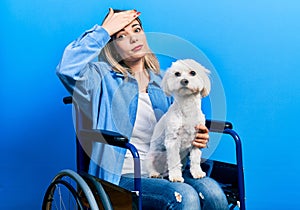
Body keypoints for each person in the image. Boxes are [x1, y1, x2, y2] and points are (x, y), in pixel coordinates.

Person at [57, 8, 229, 210]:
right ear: (111, 46)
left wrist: (195, 137)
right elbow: (66, 69)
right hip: (122, 176)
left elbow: (173, 132)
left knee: (213, 193)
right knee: (185, 196)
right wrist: (104, 31)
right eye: (121, 36)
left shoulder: (164, 80)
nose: (132, 39)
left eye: (136, 30)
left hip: (163, 169)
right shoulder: (101, 78)